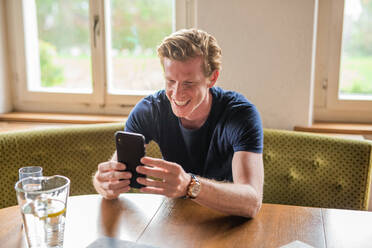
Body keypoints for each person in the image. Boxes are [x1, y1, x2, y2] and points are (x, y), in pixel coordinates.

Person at [93, 29, 264, 218]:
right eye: (170, 81)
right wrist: (104, 184)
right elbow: (114, 173)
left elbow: (251, 202)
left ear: (212, 78)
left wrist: (189, 186)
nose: (177, 93)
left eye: (188, 83)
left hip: (227, 218)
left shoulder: (240, 115)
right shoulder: (149, 111)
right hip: (174, 219)